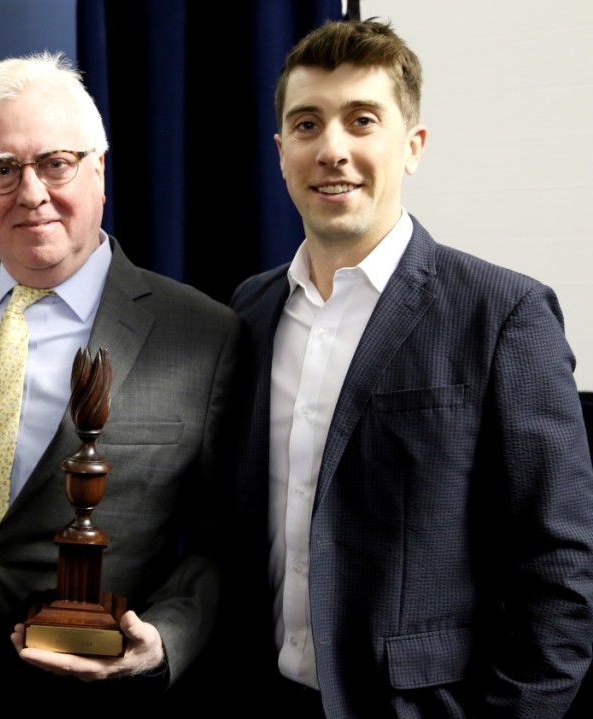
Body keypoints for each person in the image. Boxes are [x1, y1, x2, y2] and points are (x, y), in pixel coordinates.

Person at [230, 18, 593, 718]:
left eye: (362, 121)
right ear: (282, 152)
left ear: (412, 147)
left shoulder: (504, 313)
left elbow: (560, 572)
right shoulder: (250, 309)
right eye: (307, 125)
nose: (332, 148)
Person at [0, 51, 239, 716]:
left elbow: (223, 544)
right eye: (1, 169)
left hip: (95, 701)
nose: (30, 192)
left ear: (99, 171)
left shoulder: (202, 333)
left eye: (55, 162)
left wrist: (163, 640)